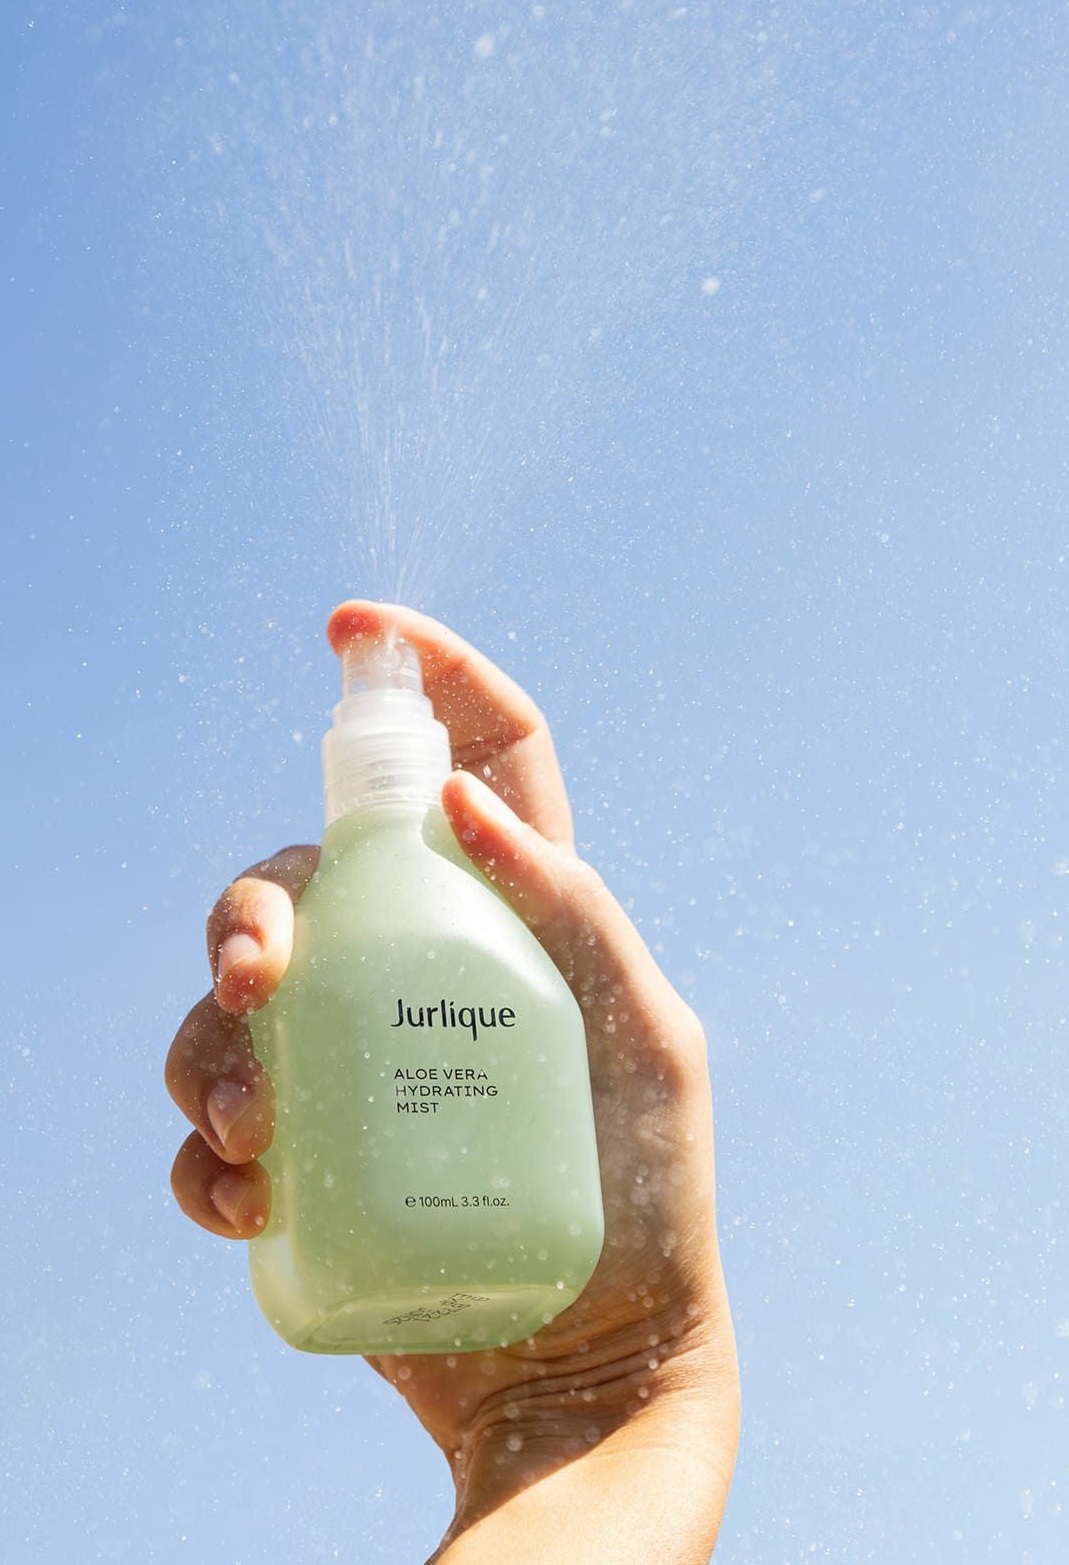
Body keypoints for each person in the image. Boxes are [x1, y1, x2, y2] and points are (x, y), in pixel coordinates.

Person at [164, 601, 741, 1562]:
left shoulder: (501, 904)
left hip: (568, 1363)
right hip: (569, 1393)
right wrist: (603, 1412)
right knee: (264, 985)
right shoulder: (338, 916)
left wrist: (601, 1395)